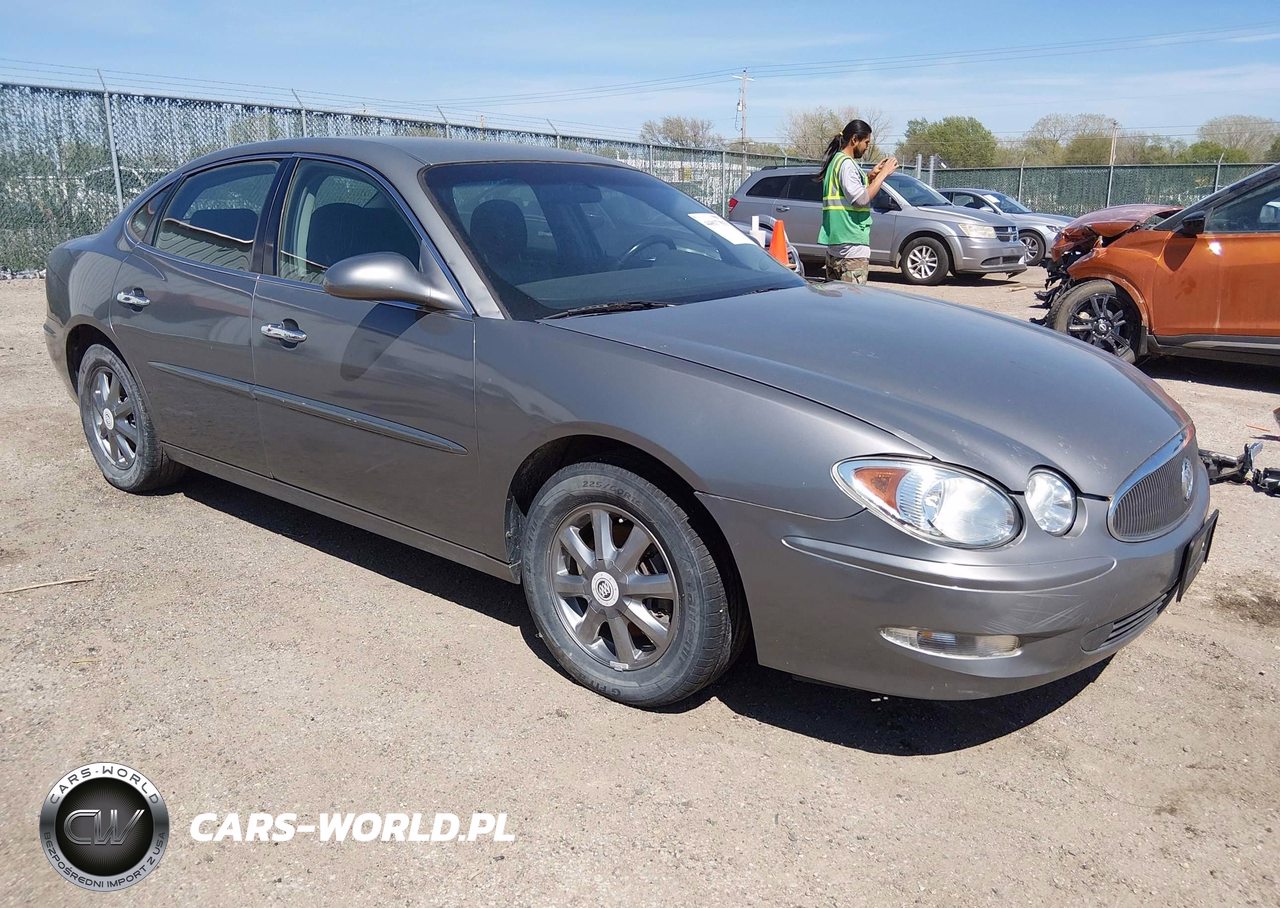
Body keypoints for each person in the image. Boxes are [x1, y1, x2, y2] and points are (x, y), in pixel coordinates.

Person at [816, 119, 897, 285]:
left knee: (837, 307)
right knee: (852, 305)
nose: (867, 147)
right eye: (866, 142)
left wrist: (871, 176)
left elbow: (848, 193)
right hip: (851, 248)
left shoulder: (836, 162)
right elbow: (860, 200)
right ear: (854, 139)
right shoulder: (846, 164)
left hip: (837, 246)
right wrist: (883, 176)